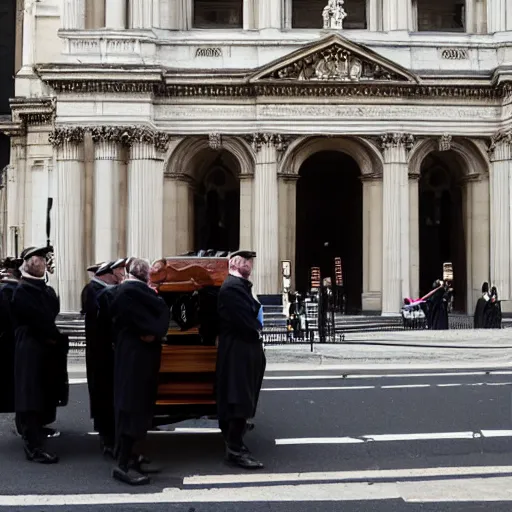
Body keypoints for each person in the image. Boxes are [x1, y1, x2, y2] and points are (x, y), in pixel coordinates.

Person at [109, 258, 170, 485]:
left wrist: (154, 331)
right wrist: (154, 331)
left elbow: (161, 320)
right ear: (145, 275)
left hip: (135, 358)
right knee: (132, 408)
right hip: (135, 359)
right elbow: (161, 318)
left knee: (137, 408)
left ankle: (131, 457)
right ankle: (123, 464)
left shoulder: (133, 293)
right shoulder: (130, 294)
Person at [10, 246, 69, 464]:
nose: (46, 263)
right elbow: (40, 319)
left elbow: (51, 309)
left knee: (41, 393)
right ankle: (33, 447)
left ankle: (37, 433)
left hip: (42, 348)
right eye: (41, 259)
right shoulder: (23, 291)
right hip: (30, 348)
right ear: (30, 263)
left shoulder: (41, 288)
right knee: (30, 396)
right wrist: (54, 336)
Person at [216, 250, 266, 470]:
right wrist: (257, 331)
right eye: (247, 261)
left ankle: (234, 443)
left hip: (243, 349)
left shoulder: (240, 286)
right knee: (239, 398)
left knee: (241, 396)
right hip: (239, 351)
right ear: (236, 264)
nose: (251, 265)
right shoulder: (233, 288)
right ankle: (234, 449)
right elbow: (247, 320)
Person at [83, 260, 119, 458]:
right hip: (100, 353)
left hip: (105, 352)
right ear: (106, 274)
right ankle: (107, 439)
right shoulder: (92, 291)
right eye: (115, 272)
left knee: (107, 396)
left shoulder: (103, 290)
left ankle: (109, 435)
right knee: (103, 395)